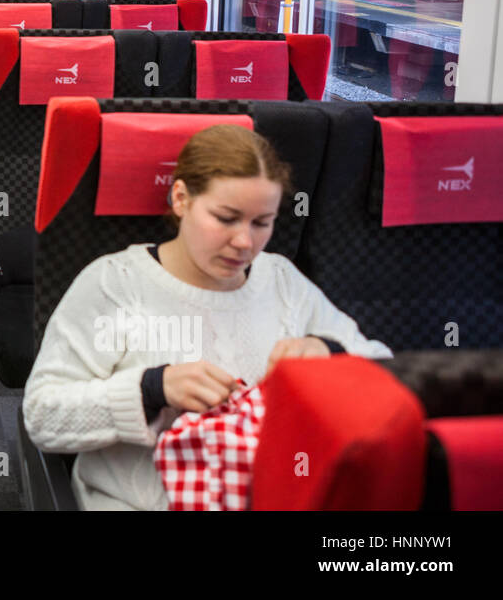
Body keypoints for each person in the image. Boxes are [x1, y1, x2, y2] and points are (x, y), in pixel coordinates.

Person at [22, 124, 391, 511]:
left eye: (261, 222)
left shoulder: (279, 279)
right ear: (181, 199)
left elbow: (383, 367)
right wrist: (152, 388)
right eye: (226, 218)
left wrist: (327, 351)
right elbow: (43, 415)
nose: (245, 242)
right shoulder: (117, 283)